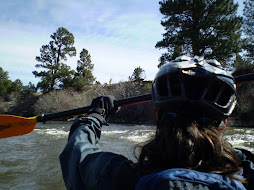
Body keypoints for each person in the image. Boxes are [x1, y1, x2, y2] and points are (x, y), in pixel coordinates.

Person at [60, 56, 254, 190]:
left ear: (157, 114)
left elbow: (77, 152)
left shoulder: (119, 178)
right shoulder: (247, 174)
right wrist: (234, 155)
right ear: (224, 123)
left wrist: (95, 116)